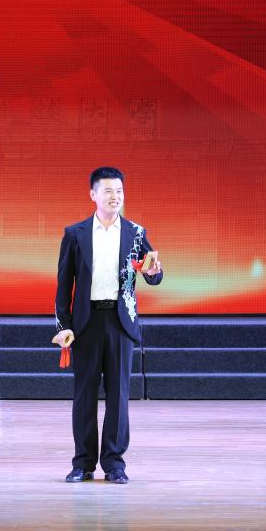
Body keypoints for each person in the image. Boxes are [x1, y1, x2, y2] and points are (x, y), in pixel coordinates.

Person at [53, 167, 163, 484]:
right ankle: (83, 463)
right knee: (84, 395)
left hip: (119, 321)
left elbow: (153, 273)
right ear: (93, 195)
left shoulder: (136, 233)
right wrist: (63, 325)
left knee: (118, 395)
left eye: (119, 191)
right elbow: (64, 285)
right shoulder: (75, 234)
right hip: (85, 323)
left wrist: (153, 272)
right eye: (108, 191)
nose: (115, 197)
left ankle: (114, 464)